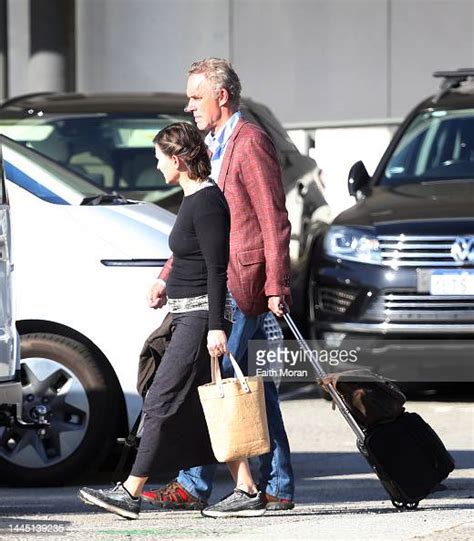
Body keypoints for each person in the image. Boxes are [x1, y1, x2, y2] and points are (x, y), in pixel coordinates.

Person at [78, 122, 266, 519]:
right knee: (201, 409)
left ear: (177, 160)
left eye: (160, 158)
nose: (157, 165)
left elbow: (218, 269)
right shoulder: (193, 199)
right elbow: (190, 256)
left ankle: (130, 492)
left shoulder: (208, 203)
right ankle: (247, 489)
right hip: (185, 314)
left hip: (201, 319)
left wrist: (217, 326)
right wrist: (164, 282)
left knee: (161, 399)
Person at [144, 58, 295, 515]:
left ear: (221, 96)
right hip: (221, 279)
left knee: (217, 380)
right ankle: (277, 486)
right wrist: (167, 273)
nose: (189, 106)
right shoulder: (213, 144)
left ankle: (205, 483)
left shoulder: (249, 143)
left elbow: (273, 219)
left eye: (196, 97)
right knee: (252, 387)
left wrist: (276, 285)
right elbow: (200, 220)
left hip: (244, 282)